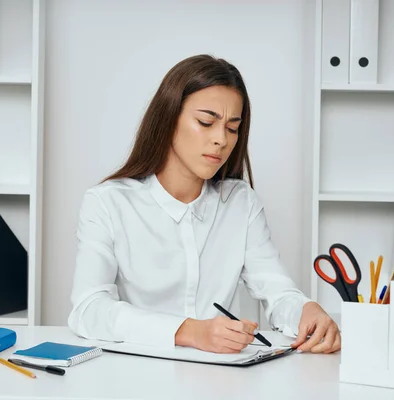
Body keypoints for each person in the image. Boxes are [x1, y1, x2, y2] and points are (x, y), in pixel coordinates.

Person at [67, 54, 341, 355]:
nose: (220, 139)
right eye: (206, 122)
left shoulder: (240, 202)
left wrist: (307, 311)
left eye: (232, 128)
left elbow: (278, 292)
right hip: (137, 375)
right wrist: (189, 331)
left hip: (222, 381)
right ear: (168, 119)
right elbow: (89, 309)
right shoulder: (108, 202)